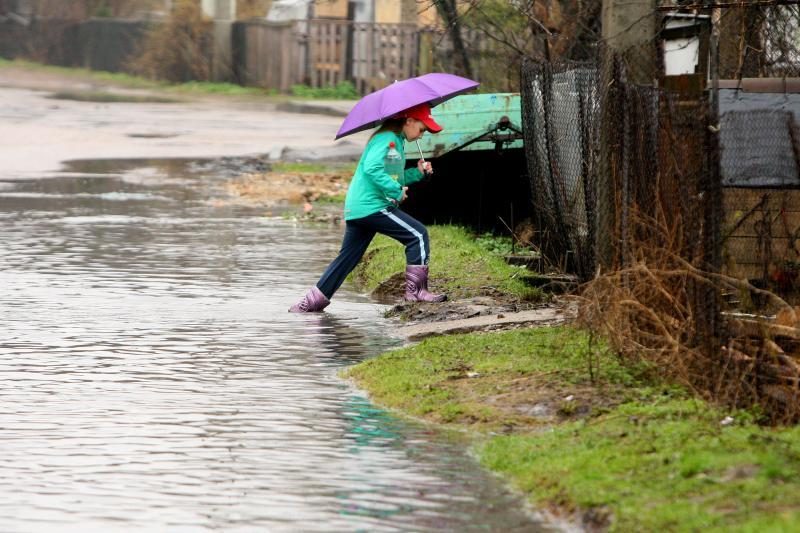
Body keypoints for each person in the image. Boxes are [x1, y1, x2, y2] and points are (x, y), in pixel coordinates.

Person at [289, 103, 447, 313]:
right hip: (371, 206)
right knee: (417, 235)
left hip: (359, 208)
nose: (421, 135)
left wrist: (417, 173)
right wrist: (396, 190)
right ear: (408, 121)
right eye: (421, 129)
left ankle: (309, 305)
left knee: (346, 260)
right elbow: (372, 169)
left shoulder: (396, 141)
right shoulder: (387, 139)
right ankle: (416, 292)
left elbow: (393, 177)